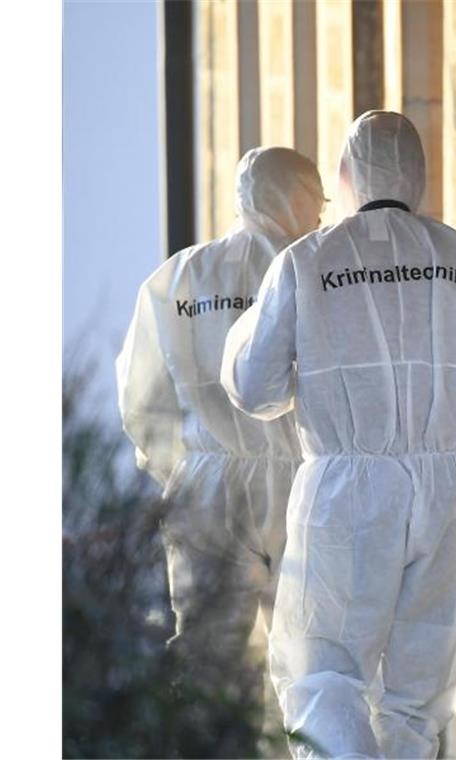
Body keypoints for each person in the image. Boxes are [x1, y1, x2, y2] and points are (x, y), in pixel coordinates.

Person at [220, 110, 456, 759]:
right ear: (420, 175)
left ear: (345, 176)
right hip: (450, 497)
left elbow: (254, 387)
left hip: (346, 495)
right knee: (415, 704)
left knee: (324, 679)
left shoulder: (306, 262)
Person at [116, 147, 325, 748]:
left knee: (207, 665)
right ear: (300, 198)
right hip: (301, 481)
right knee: (311, 664)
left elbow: (140, 399)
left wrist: (179, 473)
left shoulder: (177, 279)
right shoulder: (316, 268)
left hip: (207, 484)